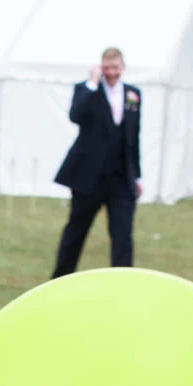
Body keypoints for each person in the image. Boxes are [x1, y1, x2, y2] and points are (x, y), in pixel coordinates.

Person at [50, 47, 142, 278]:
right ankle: (61, 278)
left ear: (123, 67)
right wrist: (92, 83)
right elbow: (76, 115)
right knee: (76, 231)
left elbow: (133, 137)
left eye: (115, 67)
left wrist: (137, 176)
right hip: (89, 177)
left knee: (123, 235)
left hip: (121, 178)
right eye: (107, 68)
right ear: (100, 67)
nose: (111, 73)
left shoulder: (133, 94)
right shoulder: (86, 90)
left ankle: (123, 282)